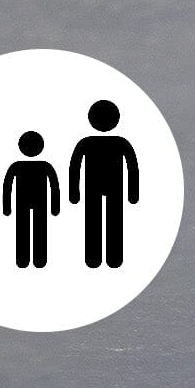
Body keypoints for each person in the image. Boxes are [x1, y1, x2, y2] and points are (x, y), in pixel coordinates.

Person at [68, 99, 141, 270]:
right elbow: (132, 168)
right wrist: (133, 192)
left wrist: (74, 191)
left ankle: (102, 257)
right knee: (104, 220)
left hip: (103, 187)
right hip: (109, 187)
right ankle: (106, 257)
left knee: (105, 220)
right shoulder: (119, 143)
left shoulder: (87, 143)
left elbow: (74, 168)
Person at [2, 129, 64, 270]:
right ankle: (37, 259)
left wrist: (7, 206)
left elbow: (7, 187)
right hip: (37, 202)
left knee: (27, 229)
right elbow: (54, 187)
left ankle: (26, 259)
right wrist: (55, 206)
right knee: (36, 229)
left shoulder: (17, 166)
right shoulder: (44, 166)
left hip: (24, 203)